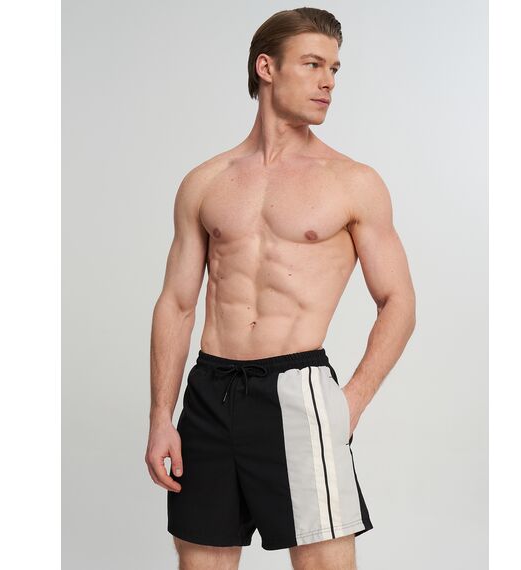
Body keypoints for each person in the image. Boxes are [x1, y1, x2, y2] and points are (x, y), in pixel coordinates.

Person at [145, 7, 416, 570]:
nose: (328, 82)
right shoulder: (205, 181)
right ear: (266, 68)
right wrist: (160, 417)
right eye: (313, 64)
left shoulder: (352, 182)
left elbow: (398, 302)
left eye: (334, 69)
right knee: (201, 563)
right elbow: (177, 303)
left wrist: (351, 402)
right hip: (210, 392)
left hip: (298, 389)